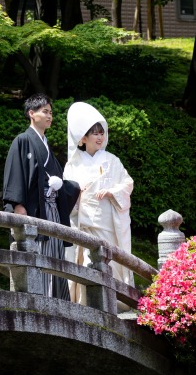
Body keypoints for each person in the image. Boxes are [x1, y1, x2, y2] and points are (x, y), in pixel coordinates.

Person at [2, 93, 80, 301]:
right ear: (31, 114)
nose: (49, 116)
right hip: (35, 211)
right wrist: (19, 206)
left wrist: (64, 186)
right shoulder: (23, 141)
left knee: (55, 257)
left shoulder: (46, 146)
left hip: (52, 211)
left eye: (51, 112)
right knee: (38, 256)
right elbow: (15, 174)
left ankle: (58, 304)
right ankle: (39, 301)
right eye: (45, 111)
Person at [63, 102, 134, 305]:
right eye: (94, 133)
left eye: (101, 132)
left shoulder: (112, 161)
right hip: (84, 223)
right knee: (87, 261)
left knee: (110, 260)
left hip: (109, 223)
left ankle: (116, 302)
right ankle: (87, 304)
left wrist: (112, 191)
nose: (99, 137)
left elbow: (127, 183)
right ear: (83, 138)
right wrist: (76, 191)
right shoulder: (73, 163)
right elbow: (66, 193)